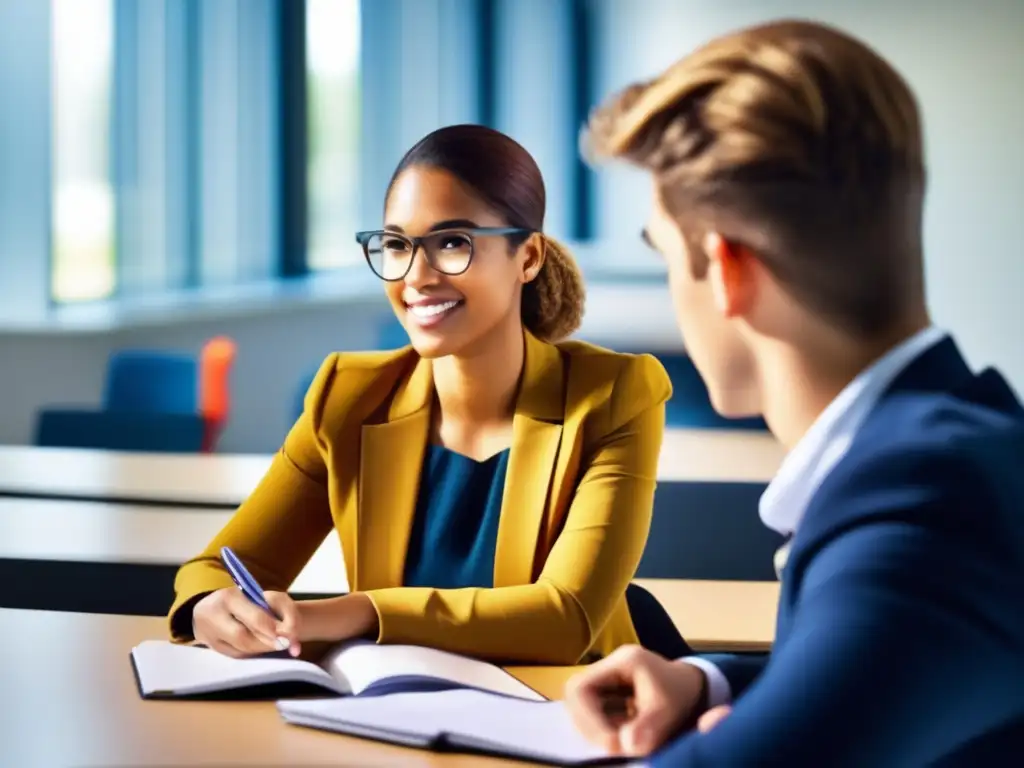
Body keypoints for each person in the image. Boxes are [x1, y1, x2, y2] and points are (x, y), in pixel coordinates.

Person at [563, 18, 1024, 766]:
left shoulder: (924, 508)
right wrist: (709, 686)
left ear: (728, 268)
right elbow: (886, 674)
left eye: (668, 257)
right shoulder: (965, 438)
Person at [168, 124, 684, 666]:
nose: (416, 276)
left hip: (577, 715)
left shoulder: (613, 396)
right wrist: (211, 604)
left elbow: (564, 618)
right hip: (405, 715)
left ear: (527, 258)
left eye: (453, 243)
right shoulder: (348, 396)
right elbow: (217, 567)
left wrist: (360, 613)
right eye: (396, 245)